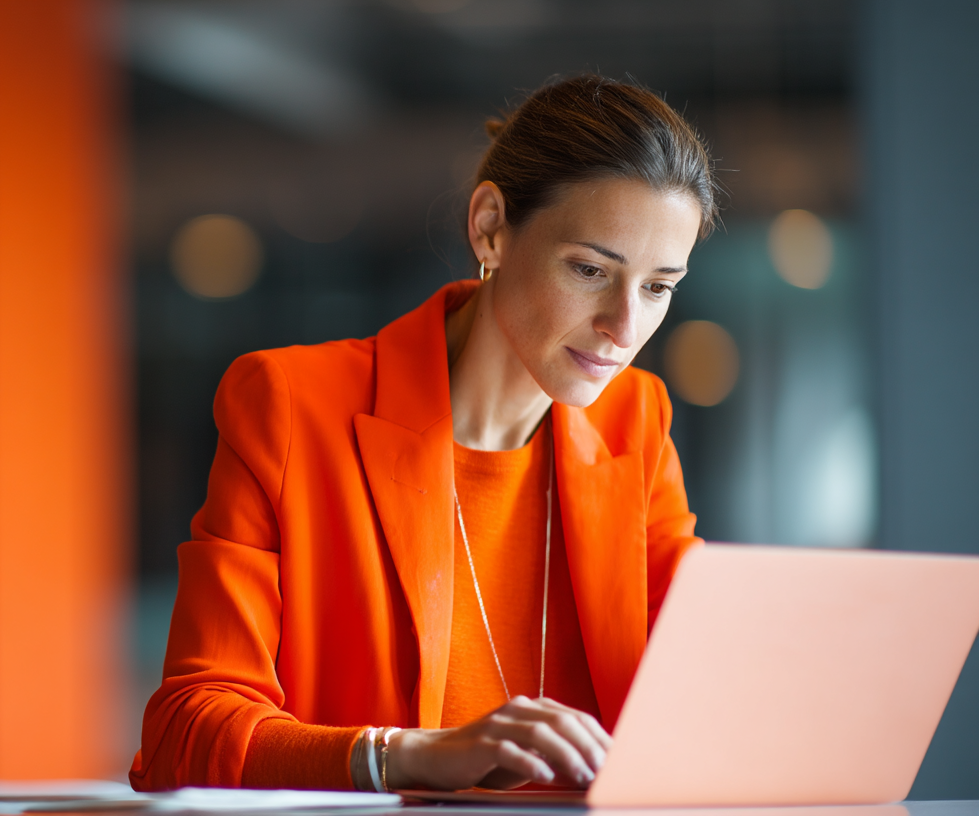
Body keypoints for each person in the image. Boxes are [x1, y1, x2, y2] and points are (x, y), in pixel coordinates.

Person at [130, 75, 714, 794]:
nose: (624, 328)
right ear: (491, 227)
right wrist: (402, 756)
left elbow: (701, 684)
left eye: (658, 287)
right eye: (590, 269)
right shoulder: (289, 409)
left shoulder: (637, 422)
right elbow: (184, 735)